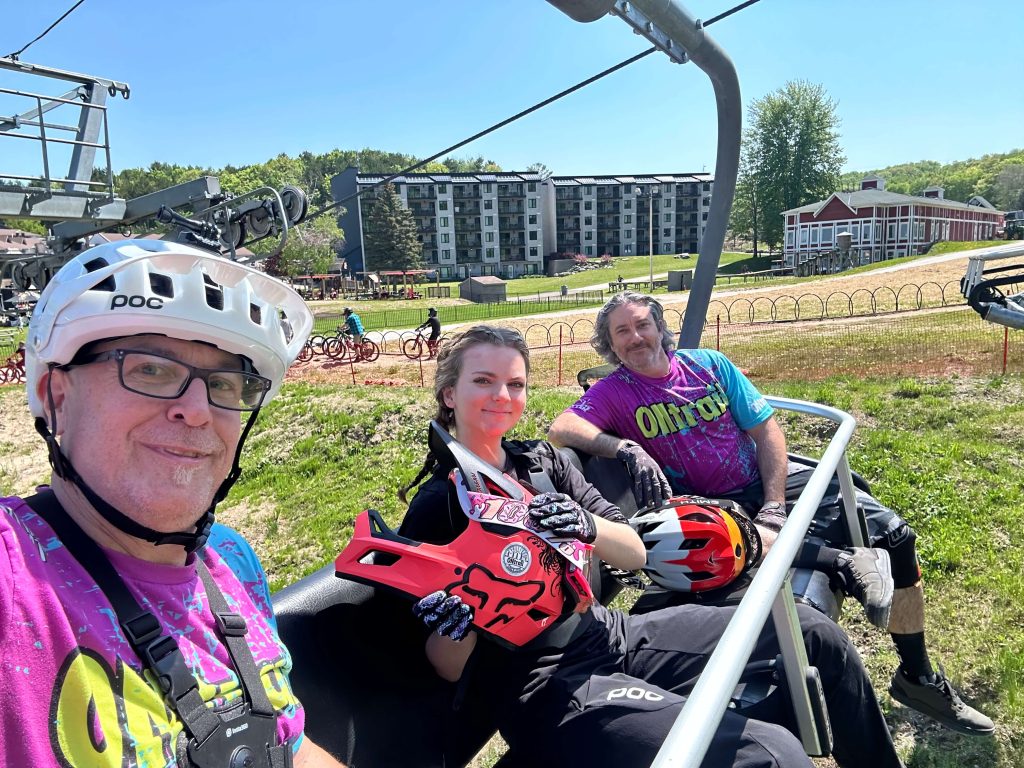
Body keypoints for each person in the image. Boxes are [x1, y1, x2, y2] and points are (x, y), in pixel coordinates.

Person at [397, 324, 904, 768]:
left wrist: (588, 525)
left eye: (515, 383)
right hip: (543, 685)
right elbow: (444, 666)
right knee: (770, 754)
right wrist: (455, 626)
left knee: (813, 633)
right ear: (449, 393)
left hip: (608, 632)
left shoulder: (541, 463)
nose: (502, 396)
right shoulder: (442, 504)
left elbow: (635, 553)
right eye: (483, 381)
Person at [548, 290, 994, 736]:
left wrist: (775, 504)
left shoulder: (709, 366)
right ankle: (841, 562)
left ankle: (918, 677)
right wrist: (623, 447)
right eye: (621, 332)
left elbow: (766, 432)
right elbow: (562, 427)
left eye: (642, 324)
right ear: (610, 346)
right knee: (724, 540)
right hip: (713, 508)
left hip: (764, 479)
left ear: (660, 328)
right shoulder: (615, 391)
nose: (635, 337)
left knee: (896, 537)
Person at [1, 239, 346, 767]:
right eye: (150, 370)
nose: (197, 409)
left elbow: (289, 745)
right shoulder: (14, 571)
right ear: (57, 397)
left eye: (227, 383)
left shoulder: (230, 560)